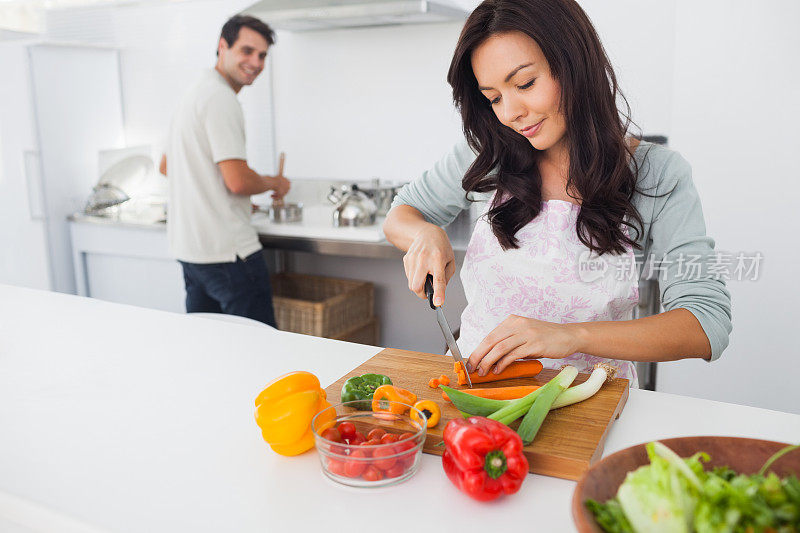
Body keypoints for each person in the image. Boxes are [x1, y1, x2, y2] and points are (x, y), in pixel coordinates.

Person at [383, 0, 732, 385]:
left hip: (589, 401)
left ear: (574, 64)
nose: (510, 112)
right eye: (494, 97)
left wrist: (570, 336)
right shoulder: (488, 154)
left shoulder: (657, 173)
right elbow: (403, 213)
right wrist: (426, 233)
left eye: (525, 83)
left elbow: (706, 323)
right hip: (474, 388)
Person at [159, 15, 289, 326]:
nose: (255, 62)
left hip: (192, 254)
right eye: (247, 51)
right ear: (222, 47)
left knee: (211, 351)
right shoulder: (221, 98)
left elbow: (166, 166)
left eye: (262, 55)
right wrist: (275, 182)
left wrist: (223, 200)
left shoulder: (195, 92)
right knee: (259, 352)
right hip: (229, 256)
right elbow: (237, 181)